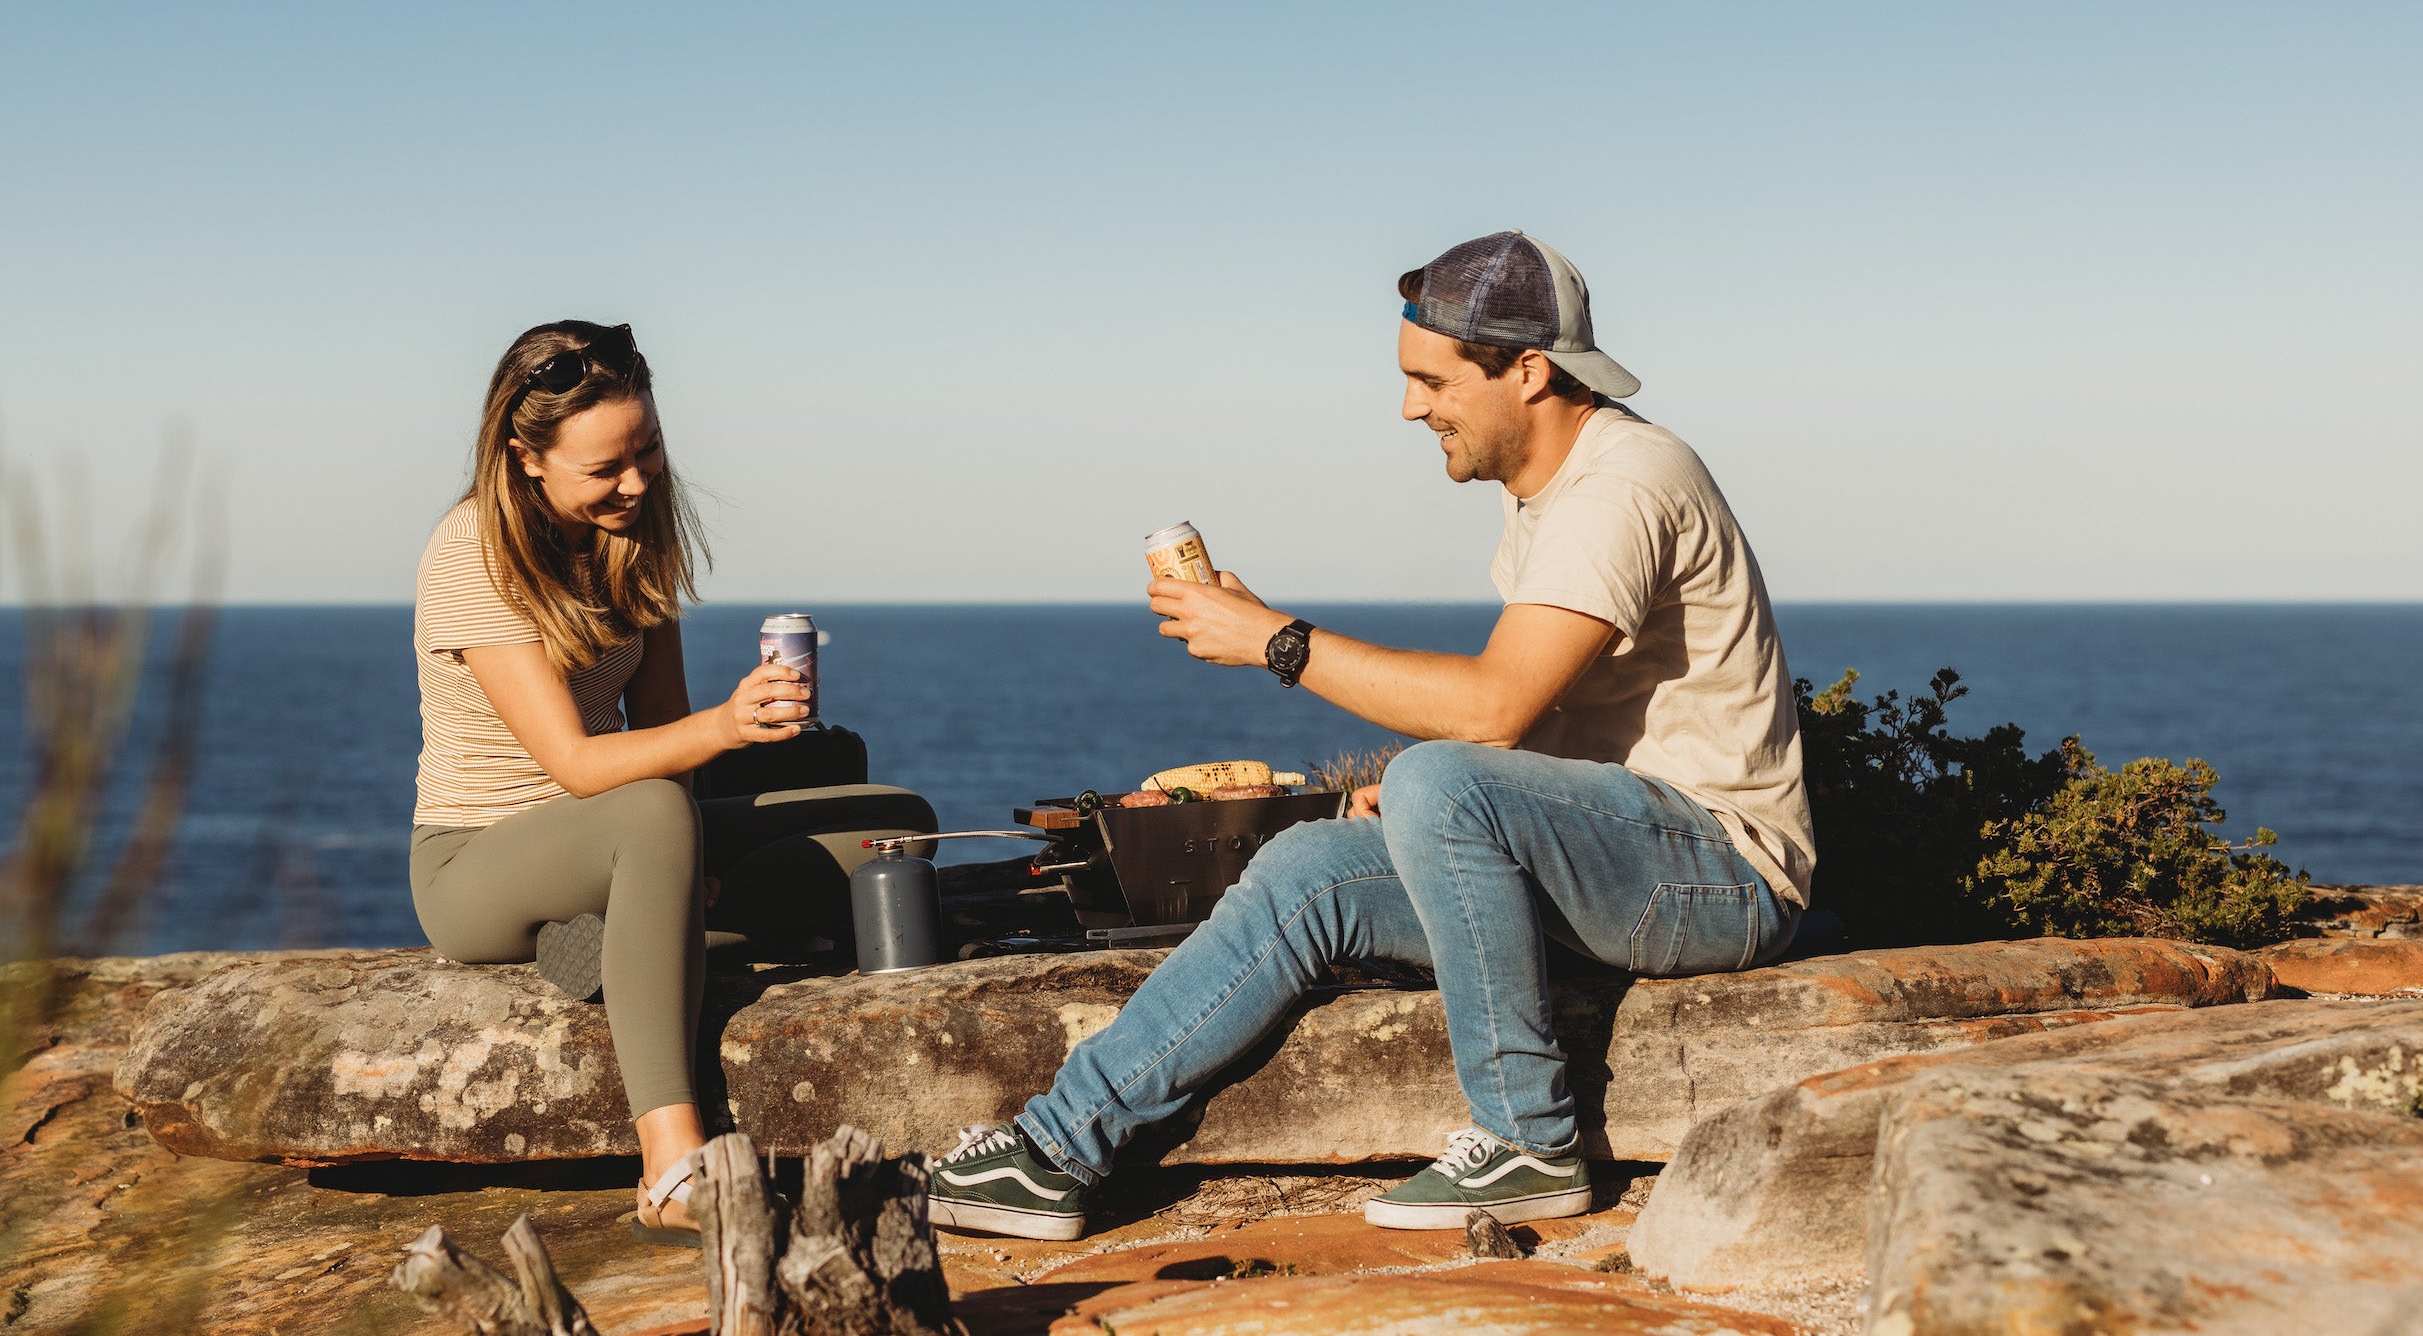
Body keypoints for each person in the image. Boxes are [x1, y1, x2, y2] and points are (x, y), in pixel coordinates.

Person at [927, 232, 1812, 1240]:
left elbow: (1492, 709)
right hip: (1618, 858)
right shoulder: (1549, 496)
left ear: (1526, 371)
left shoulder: (1623, 485)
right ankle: (1055, 1150)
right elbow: (1545, 715)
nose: (1409, 408)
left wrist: (1280, 644)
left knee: (1442, 775)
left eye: (1429, 382)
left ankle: (1527, 1140)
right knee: (1310, 865)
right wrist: (1454, 815)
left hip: (1724, 871)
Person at [409, 319, 936, 1238]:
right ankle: (672, 1165)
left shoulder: (631, 529)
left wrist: (722, 779)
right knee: (652, 813)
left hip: (625, 832)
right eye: (606, 467)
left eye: (647, 449)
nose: (638, 482)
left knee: (893, 823)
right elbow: (576, 763)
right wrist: (723, 734)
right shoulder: (473, 555)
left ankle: (625, 931)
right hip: (479, 863)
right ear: (525, 456)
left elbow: (659, 729)